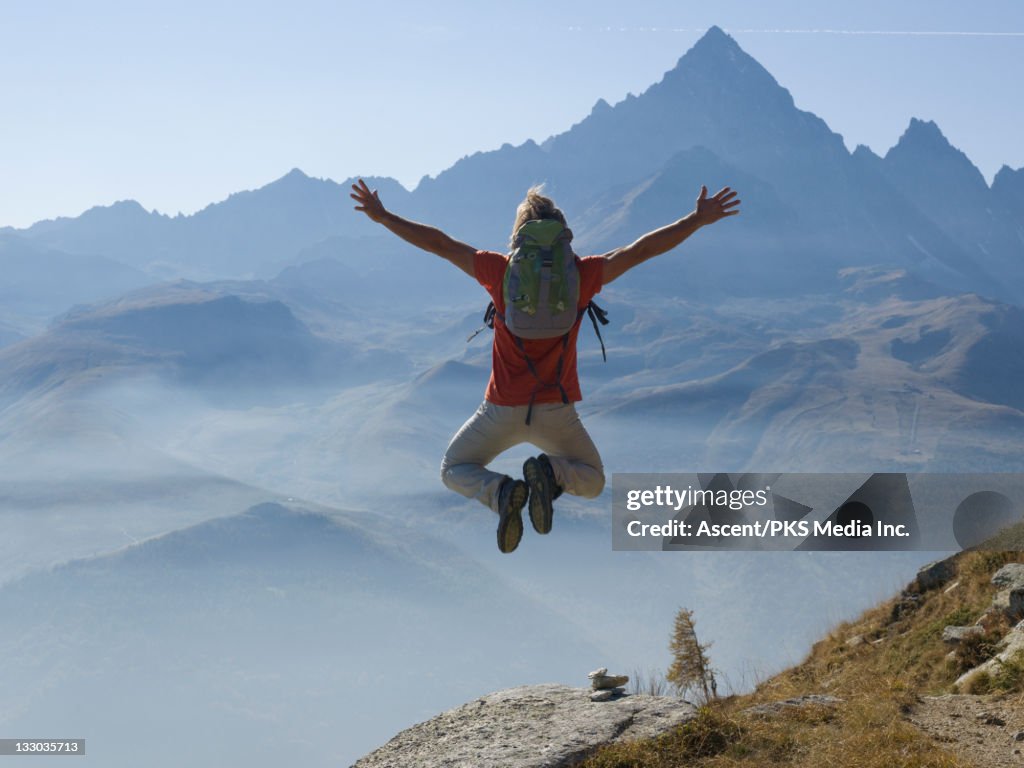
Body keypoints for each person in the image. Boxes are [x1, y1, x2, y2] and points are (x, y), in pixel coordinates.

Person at [351, 178, 740, 552]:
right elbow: (640, 251)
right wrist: (695, 220)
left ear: (518, 235)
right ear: (563, 234)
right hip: (557, 411)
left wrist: (385, 217)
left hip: (500, 410)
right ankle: (552, 474)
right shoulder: (582, 275)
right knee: (591, 481)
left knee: (453, 469)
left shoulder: (499, 271)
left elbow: (439, 244)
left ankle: (502, 493)